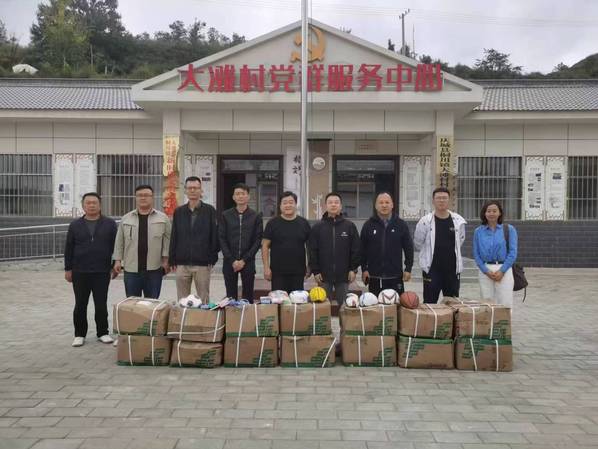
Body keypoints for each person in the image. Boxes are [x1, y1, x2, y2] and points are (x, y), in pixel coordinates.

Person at [64, 192, 117, 347]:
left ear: (100, 205)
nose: (92, 205)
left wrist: (115, 265)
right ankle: (79, 334)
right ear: (83, 205)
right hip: (80, 271)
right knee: (80, 304)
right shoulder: (75, 225)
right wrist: (68, 269)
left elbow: (116, 246)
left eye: (94, 203)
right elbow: (69, 248)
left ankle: (103, 332)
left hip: (102, 270)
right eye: (88, 203)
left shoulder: (109, 224)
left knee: (101, 303)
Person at [113, 185, 171, 299]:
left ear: (152, 197)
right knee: (132, 303)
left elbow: (167, 242)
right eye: (140, 195)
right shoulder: (126, 218)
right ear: (135, 197)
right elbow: (119, 242)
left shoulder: (163, 218)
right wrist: (117, 261)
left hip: (154, 270)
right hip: (131, 270)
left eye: (146, 195)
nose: (143, 198)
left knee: (152, 302)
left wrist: (166, 261)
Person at [169, 176, 219, 302]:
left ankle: (203, 316)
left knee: (203, 299)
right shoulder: (179, 212)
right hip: (182, 263)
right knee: (182, 300)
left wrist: (213, 257)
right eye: (190, 188)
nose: (192, 190)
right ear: (185, 190)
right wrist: (172, 259)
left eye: (195, 188)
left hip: (202, 263)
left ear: (201, 190)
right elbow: (174, 235)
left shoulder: (210, 211)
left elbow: (214, 235)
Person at [414, 187, 467, 303]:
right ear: (433, 201)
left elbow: (460, 241)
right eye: (438, 198)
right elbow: (418, 243)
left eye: (444, 198)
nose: (441, 200)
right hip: (431, 270)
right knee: (429, 303)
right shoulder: (425, 221)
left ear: (449, 200)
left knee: (452, 304)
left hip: (452, 271)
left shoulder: (458, 221)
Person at [309, 192, 360, 305]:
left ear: (341, 206)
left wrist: (353, 269)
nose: (333, 205)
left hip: (344, 275)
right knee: (322, 305)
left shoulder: (349, 226)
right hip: (323, 275)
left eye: (336, 202)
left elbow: (356, 249)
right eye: (330, 202)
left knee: (344, 307)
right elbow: (312, 250)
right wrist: (315, 270)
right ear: (325, 206)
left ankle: (343, 317)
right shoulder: (318, 227)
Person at [360, 192, 414, 296]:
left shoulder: (401, 224)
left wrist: (408, 268)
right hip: (374, 277)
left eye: (387, 202)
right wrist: (364, 269)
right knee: (375, 305)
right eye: (381, 203)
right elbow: (362, 249)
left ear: (392, 205)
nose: (384, 205)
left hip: (395, 277)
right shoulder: (368, 225)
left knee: (396, 305)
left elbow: (408, 248)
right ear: (376, 206)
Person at [219, 183, 263, 302]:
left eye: (243, 193)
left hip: (248, 261)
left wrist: (244, 260)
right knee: (230, 297)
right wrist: (232, 260)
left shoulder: (256, 216)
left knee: (248, 297)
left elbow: (258, 240)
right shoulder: (225, 215)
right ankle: (231, 314)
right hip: (230, 261)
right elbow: (222, 238)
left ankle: (247, 314)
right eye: (237, 194)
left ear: (248, 196)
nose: (240, 196)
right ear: (233, 197)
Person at [262, 191, 311, 293]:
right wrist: (266, 267)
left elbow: (309, 246)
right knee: (279, 301)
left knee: (297, 301)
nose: (288, 205)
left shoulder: (304, 223)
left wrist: (310, 265)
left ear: (296, 204)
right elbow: (265, 245)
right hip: (277, 272)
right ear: (280, 205)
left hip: (298, 271)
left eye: (291, 202)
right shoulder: (272, 223)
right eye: (284, 203)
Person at [473, 200, 518, 307]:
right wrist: (486, 271)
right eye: (488, 211)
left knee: (505, 303)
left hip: (504, 268)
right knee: (487, 303)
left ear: (500, 213)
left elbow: (513, 252)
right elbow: (476, 253)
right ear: (484, 213)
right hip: (485, 269)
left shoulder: (509, 229)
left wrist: (502, 271)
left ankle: (505, 319)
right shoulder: (478, 231)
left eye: (494, 211)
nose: (491, 213)